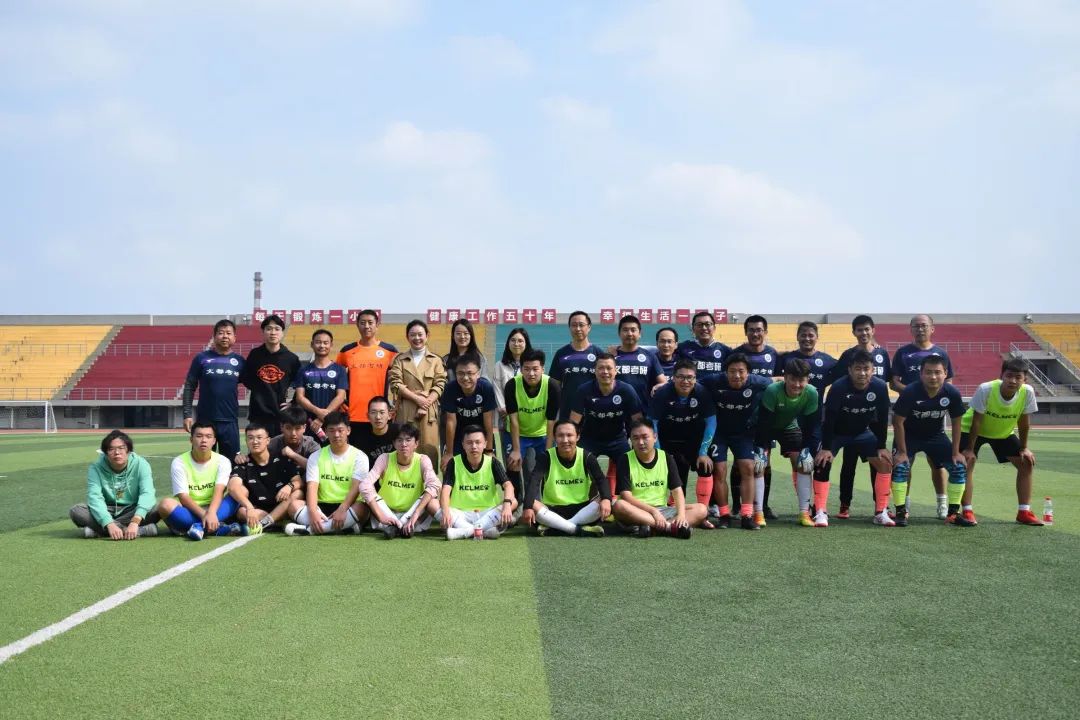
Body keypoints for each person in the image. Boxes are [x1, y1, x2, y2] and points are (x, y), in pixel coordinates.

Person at [812, 350, 895, 527]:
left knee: (885, 462)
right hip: (837, 433)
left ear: (873, 370)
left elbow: (882, 418)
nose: (862, 373)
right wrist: (826, 447)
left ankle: (881, 512)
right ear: (850, 370)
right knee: (822, 462)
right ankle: (820, 511)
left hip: (862, 433)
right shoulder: (839, 387)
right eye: (858, 369)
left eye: (866, 369)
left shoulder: (880, 387)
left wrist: (881, 446)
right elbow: (829, 419)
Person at [960, 359, 1042, 526]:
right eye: (1009, 376)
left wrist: (1024, 448)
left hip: (1002, 433)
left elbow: (1024, 423)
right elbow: (977, 421)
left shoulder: (1027, 392)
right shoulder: (986, 389)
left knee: (1026, 462)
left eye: (1018, 377)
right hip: (971, 430)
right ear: (1001, 376)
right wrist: (969, 449)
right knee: (966, 463)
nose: (1013, 380)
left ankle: (1024, 512)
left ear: (1025, 380)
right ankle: (967, 511)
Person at [891, 355, 970, 527]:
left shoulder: (952, 393)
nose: (933, 377)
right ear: (921, 374)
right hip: (909, 436)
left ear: (945, 373)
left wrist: (956, 452)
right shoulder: (910, 392)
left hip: (935, 436)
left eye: (937, 372)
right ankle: (901, 513)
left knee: (958, 467)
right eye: (928, 372)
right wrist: (902, 452)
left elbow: (957, 422)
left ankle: (953, 514)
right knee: (900, 467)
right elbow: (897, 422)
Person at [891, 314, 955, 520]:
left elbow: (949, 382)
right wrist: (914, 394)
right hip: (908, 417)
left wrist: (932, 397)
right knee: (904, 463)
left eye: (924, 326)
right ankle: (904, 506)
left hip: (933, 420)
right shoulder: (902, 353)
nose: (920, 329)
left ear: (932, 328)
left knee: (937, 464)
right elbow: (894, 382)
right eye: (916, 326)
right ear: (910, 329)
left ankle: (942, 503)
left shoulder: (941, 353)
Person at [828, 315, 891, 518]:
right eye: (859, 330)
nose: (864, 333)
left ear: (873, 330)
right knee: (849, 463)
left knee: (877, 461)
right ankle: (844, 504)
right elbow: (839, 380)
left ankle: (880, 507)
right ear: (854, 332)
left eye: (867, 329)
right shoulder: (848, 355)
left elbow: (886, 380)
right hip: (851, 416)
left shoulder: (882, 353)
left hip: (874, 417)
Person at [702, 353, 772, 529]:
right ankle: (724, 515)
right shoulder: (713, 381)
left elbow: (776, 384)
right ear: (725, 372)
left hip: (744, 433)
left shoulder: (758, 382)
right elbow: (692, 383)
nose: (737, 375)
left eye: (741, 371)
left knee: (748, 468)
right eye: (732, 371)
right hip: (719, 433)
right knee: (719, 470)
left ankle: (746, 515)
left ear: (748, 372)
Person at [753, 358, 821, 527]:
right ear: (785, 378)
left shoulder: (812, 393)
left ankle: (804, 513)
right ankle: (758, 513)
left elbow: (812, 426)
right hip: (765, 427)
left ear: (808, 379)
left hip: (789, 426)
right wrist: (761, 450)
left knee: (804, 464)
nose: (797, 384)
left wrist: (807, 450)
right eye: (793, 379)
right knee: (759, 465)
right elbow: (764, 423)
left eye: (801, 380)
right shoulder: (772, 391)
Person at [612, 420, 708, 538]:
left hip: (662, 510)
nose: (641, 442)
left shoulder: (666, 457)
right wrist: (653, 512)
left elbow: (677, 491)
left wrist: (681, 515)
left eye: (645, 437)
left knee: (701, 509)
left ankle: (653, 528)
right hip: (637, 510)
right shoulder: (624, 459)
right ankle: (670, 527)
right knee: (619, 505)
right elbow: (626, 497)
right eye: (636, 438)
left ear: (655, 437)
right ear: (631, 440)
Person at [569, 353, 644, 498]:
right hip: (589, 439)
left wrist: (637, 443)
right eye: (601, 368)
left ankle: (626, 501)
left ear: (616, 371)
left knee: (629, 467)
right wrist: (572, 444)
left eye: (609, 368)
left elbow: (638, 421)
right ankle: (585, 499)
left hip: (617, 440)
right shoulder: (584, 390)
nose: (605, 372)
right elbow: (573, 423)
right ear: (595, 371)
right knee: (579, 467)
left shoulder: (626, 390)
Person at [284, 411, 370, 535]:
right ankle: (340, 528)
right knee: (294, 506)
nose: (336, 434)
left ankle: (310, 530)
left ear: (348, 430)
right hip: (322, 506)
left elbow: (356, 488)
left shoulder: (360, 457)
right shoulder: (316, 456)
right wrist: (313, 511)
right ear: (325, 431)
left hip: (347, 506)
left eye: (340, 430)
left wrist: (342, 509)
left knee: (362, 508)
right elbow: (312, 486)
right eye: (331, 430)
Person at [729, 314, 781, 514]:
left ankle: (763, 505)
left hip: (765, 417)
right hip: (740, 416)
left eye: (759, 330)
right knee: (738, 463)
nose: (755, 333)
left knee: (765, 462)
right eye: (751, 330)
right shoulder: (737, 354)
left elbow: (779, 379)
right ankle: (737, 505)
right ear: (746, 332)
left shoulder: (773, 354)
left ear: (765, 332)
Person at [352, 423, 441, 538]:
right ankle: (401, 527)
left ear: (416, 443)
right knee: (369, 493)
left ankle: (397, 526)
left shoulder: (422, 460)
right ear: (394, 443)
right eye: (399, 440)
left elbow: (435, 485)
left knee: (430, 496)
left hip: (413, 516)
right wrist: (381, 517)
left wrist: (415, 514)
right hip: (386, 514)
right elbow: (365, 485)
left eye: (408, 440)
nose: (404, 444)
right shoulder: (385, 458)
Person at [522, 420, 610, 536]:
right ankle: (576, 529)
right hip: (553, 511)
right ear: (554, 437)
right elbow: (534, 481)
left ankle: (557, 528)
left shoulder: (587, 456)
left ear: (577, 437)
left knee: (605, 499)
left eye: (569, 435)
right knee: (532, 504)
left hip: (581, 510)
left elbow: (601, 480)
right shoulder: (546, 457)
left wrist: (606, 499)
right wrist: (527, 507)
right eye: (560, 435)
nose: (565, 440)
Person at [156, 422, 243, 540]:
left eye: (208, 436)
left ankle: (199, 527)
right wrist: (204, 515)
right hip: (190, 510)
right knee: (165, 505)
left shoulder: (223, 461)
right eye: (199, 436)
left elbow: (219, 491)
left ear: (214, 441)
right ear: (191, 440)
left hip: (216, 508)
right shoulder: (179, 462)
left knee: (241, 491)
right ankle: (216, 527)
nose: (204, 440)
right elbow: (183, 497)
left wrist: (211, 513)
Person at [70, 430, 159, 539]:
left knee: (158, 508)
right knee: (76, 511)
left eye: (121, 448)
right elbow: (94, 497)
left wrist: (135, 521)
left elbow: (147, 493)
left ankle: (100, 531)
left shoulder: (141, 464)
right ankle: (138, 531)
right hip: (107, 509)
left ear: (129, 450)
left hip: (132, 509)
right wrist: (109, 523)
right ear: (105, 452)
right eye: (111, 449)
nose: (117, 452)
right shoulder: (96, 468)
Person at [649, 358, 715, 501]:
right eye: (681, 377)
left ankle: (703, 509)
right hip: (669, 439)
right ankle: (675, 506)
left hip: (694, 439)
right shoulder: (662, 394)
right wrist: (658, 453)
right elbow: (652, 424)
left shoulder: (702, 392)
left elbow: (711, 422)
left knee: (706, 466)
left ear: (695, 378)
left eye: (690, 377)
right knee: (678, 471)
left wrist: (703, 452)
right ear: (673, 378)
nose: (685, 381)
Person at [437, 425, 517, 540]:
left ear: (485, 444)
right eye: (469, 443)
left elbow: (508, 485)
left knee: (512, 501)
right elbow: (445, 490)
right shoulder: (454, 462)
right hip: (461, 514)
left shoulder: (493, 462)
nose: (474, 446)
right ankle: (484, 530)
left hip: (487, 513)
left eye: (478, 442)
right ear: (463, 445)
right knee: (435, 505)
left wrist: (507, 504)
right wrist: (445, 512)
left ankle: (466, 531)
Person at [181, 319, 245, 461]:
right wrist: (187, 413)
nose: (225, 336)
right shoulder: (201, 358)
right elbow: (190, 386)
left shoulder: (240, 362)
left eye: (228, 333)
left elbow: (254, 384)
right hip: (205, 421)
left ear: (234, 338)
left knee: (231, 464)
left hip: (229, 421)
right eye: (221, 333)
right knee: (202, 462)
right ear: (214, 336)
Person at [387, 319, 447, 466]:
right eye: (413, 335)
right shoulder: (400, 360)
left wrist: (426, 402)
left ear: (427, 335)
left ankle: (429, 481)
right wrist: (417, 399)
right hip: (406, 411)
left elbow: (440, 384)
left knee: (429, 451)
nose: (417, 338)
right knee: (405, 451)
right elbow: (395, 384)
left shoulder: (436, 360)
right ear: (407, 337)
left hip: (428, 413)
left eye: (420, 334)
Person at [228, 423, 302, 532]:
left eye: (259, 437)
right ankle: (277, 522)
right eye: (250, 438)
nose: (255, 441)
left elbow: (298, 481)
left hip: (282, 505)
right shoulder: (243, 462)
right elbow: (232, 487)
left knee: (298, 493)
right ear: (246, 441)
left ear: (268, 440)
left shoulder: (281, 458)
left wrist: (289, 486)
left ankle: (267, 522)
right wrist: (249, 507)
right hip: (257, 509)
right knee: (241, 511)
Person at [336, 309, 398, 439]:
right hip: (353, 414)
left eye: (370, 322)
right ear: (357, 325)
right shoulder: (346, 351)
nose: (367, 326)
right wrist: (339, 401)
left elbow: (398, 379)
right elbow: (336, 378)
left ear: (377, 325)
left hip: (380, 416)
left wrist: (396, 404)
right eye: (363, 323)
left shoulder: (390, 351)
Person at [504, 349, 560, 491]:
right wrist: (516, 450)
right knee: (513, 464)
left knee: (548, 466)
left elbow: (551, 421)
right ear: (521, 369)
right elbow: (513, 420)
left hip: (542, 434)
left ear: (542, 369)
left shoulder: (552, 386)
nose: (531, 373)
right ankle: (515, 500)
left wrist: (548, 450)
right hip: (519, 433)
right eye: (527, 369)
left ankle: (544, 500)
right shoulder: (511, 385)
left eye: (535, 369)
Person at [240, 314, 300, 438]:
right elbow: (246, 378)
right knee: (257, 447)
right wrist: (258, 390)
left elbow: (301, 384)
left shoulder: (291, 359)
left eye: (277, 329)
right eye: (269, 329)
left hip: (281, 414)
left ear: (282, 333)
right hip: (257, 413)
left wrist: (293, 403)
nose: (273, 332)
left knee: (279, 448)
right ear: (263, 332)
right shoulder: (255, 355)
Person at [440, 354, 497, 471]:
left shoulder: (486, 388)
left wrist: (489, 450)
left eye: (470, 373)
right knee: (449, 468)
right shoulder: (450, 388)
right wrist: (449, 452)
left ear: (478, 374)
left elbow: (488, 422)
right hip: (459, 434)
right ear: (455, 374)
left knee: (486, 468)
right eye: (460, 373)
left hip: (480, 433)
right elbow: (451, 422)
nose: (465, 378)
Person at [292, 328, 348, 440]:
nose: (322, 345)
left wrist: (323, 417)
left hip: (333, 424)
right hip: (309, 423)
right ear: (312, 344)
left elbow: (341, 396)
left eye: (325, 342)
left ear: (331, 345)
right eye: (318, 342)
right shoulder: (303, 370)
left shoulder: (340, 370)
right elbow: (299, 397)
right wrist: (317, 412)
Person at [549, 311, 605, 420]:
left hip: (594, 411)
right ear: (569, 328)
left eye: (581, 325)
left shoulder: (598, 353)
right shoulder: (561, 353)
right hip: (567, 412)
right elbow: (555, 386)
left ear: (589, 327)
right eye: (574, 325)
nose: (578, 329)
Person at [614, 314, 667, 415]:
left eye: (633, 330)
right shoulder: (611, 357)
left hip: (643, 412)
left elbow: (664, 383)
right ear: (619, 333)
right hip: (616, 412)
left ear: (640, 333)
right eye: (625, 330)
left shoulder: (649, 356)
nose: (629, 333)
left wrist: (658, 386)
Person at [779, 321, 836, 396]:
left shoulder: (827, 360)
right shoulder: (786, 359)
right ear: (797, 337)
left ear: (817, 337)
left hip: (816, 403)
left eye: (811, 335)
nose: (807, 338)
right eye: (803, 335)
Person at [675, 311, 731, 385]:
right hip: (691, 390)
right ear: (693, 329)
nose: (704, 328)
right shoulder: (682, 348)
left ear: (714, 328)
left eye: (708, 324)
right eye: (699, 325)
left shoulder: (726, 351)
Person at [493, 327, 531, 419]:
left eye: (520, 341)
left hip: (527, 412)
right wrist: (503, 408)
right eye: (513, 340)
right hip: (505, 414)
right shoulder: (499, 365)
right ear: (508, 343)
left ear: (526, 343)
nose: (516, 344)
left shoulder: (531, 365)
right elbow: (497, 389)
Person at [352, 396, 398, 467]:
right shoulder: (359, 438)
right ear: (368, 416)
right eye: (373, 412)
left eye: (382, 412)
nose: (378, 417)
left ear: (389, 415)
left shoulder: (399, 433)